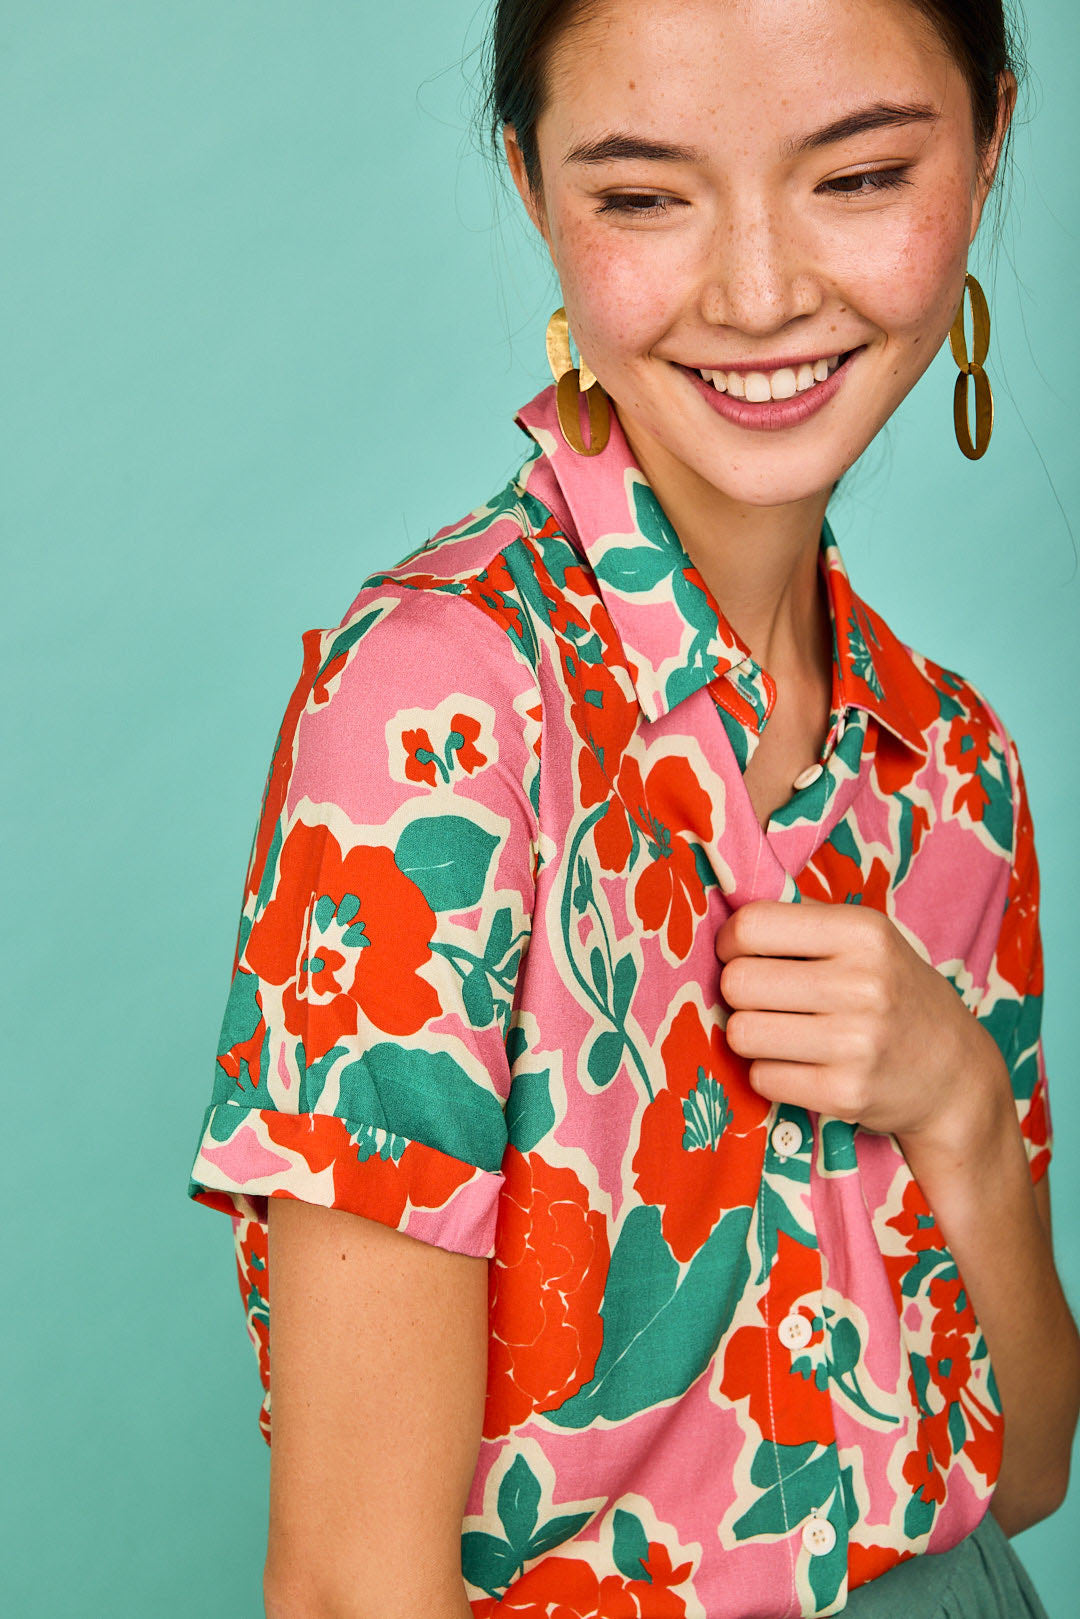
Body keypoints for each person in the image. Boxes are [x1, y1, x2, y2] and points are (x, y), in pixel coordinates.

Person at [185, 1, 1080, 1614]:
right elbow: (348, 1585)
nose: (759, 292)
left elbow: (1022, 1475)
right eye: (646, 195)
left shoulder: (953, 765)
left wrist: (956, 1098)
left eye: (859, 176)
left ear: (990, 143)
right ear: (535, 190)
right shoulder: (443, 712)